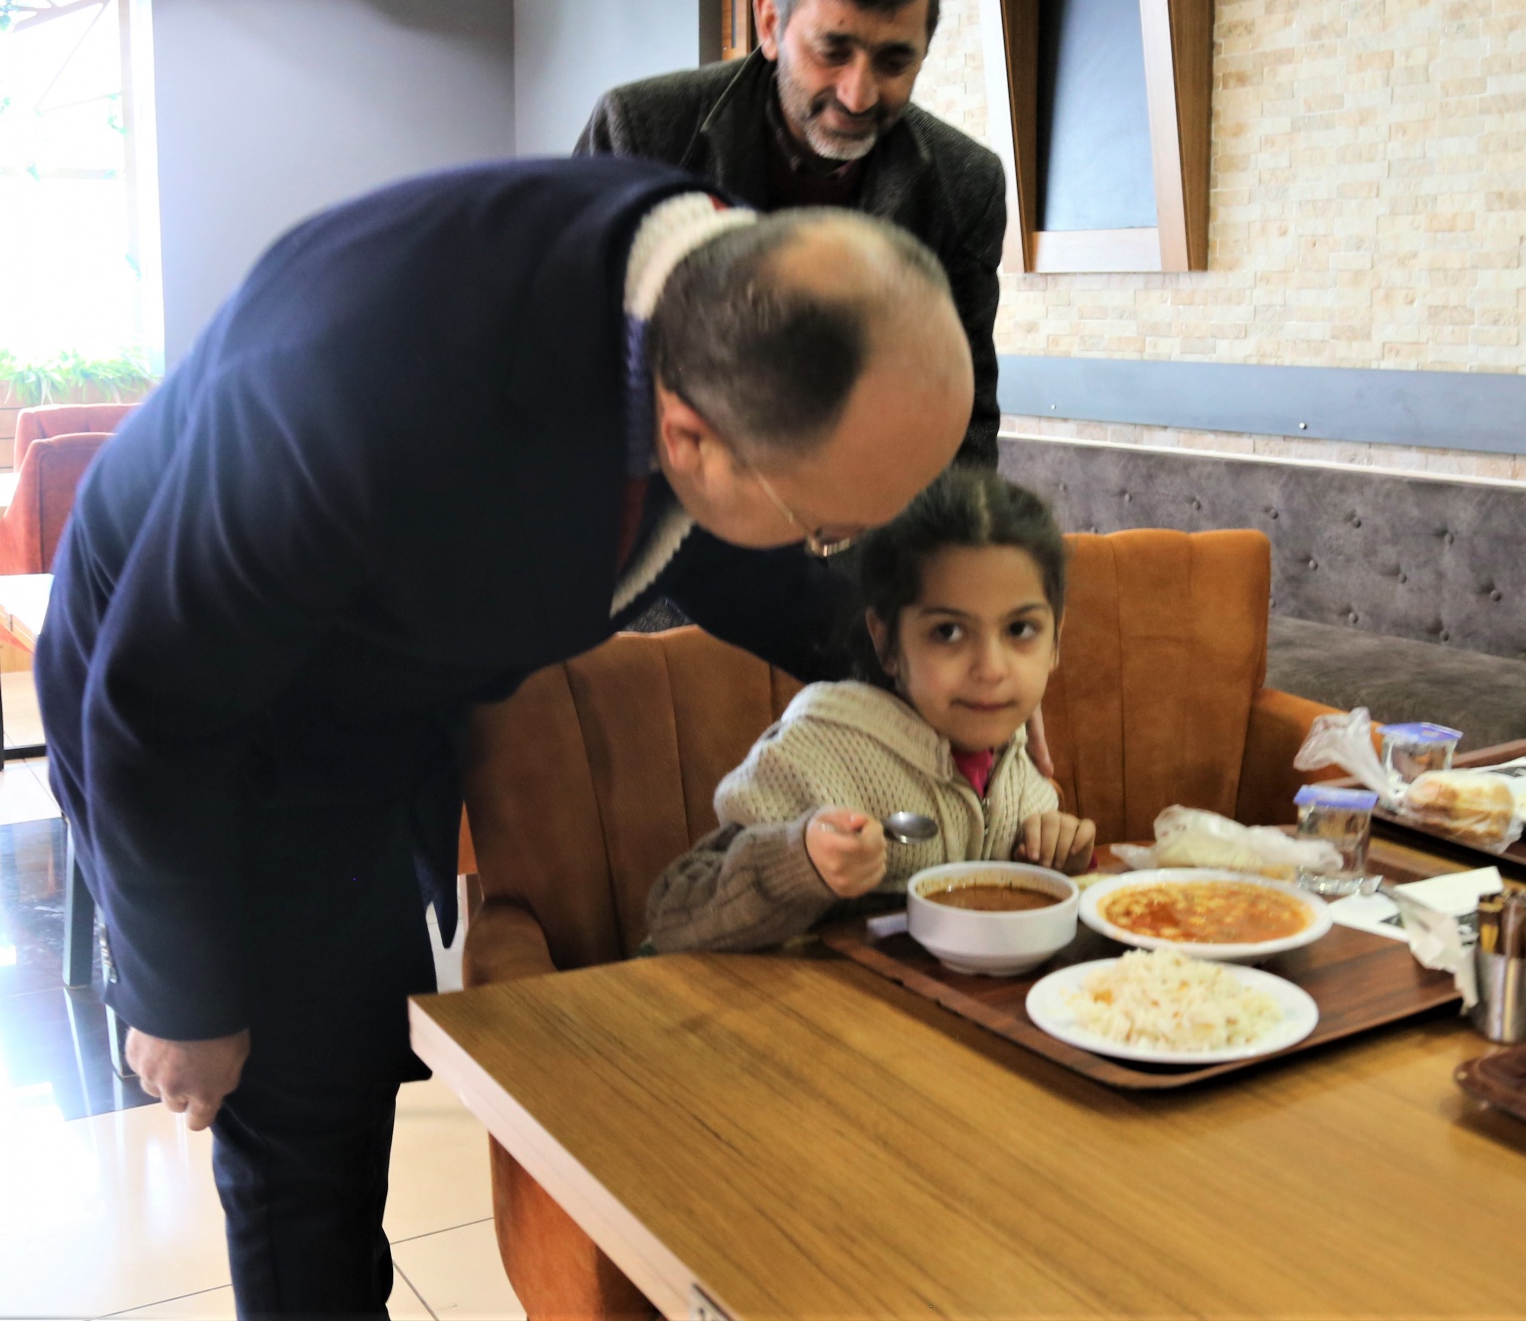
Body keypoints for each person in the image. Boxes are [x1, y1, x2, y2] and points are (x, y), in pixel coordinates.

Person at [35, 157, 973, 1318]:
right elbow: (156, 710)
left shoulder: (718, 299)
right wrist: (184, 997)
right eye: (832, 529)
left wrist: (939, 679)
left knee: (357, 1039)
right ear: (686, 438)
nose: (837, 550)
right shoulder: (364, 395)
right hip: (212, 722)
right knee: (298, 1125)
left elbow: (765, 570)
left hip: (363, 688)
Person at [577, 0, 1006, 468]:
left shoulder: (965, 183)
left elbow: (960, 411)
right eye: (832, 51)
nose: (858, 94)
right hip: (665, 497)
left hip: (853, 519)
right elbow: (568, 351)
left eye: (894, 62)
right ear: (771, 23)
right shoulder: (641, 131)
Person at [642, 468, 1096, 953]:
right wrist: (801, 861)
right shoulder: (819, 754)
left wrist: (1057, 853)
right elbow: (674, 915)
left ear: (1056, 639)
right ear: (886, 642)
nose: (991, 668)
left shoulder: (1016, 772)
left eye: (1020, 630)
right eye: (947, 632)